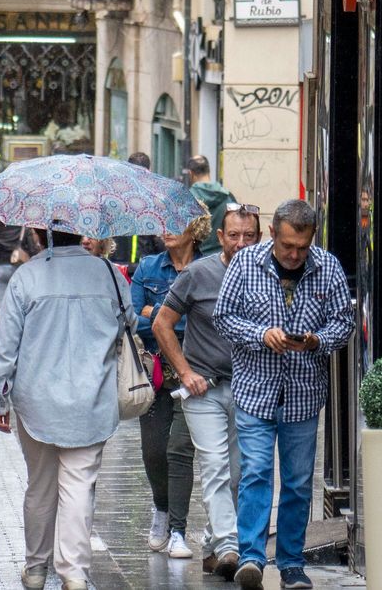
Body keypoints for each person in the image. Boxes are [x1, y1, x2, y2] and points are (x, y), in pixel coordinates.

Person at [213, 200, 353, 590]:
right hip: (255, 390)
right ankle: (252, 557)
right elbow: (223, 318)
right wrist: (261, 334)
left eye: (302, 247)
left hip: (303, 393)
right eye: (288, 245)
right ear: (273, 233)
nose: (294, 254)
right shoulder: (245, 264)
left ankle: (292, 563)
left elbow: (343, 324)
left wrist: (315, 341)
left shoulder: (328, 268)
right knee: (256, 471)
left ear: (312, 239)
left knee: (296, 481)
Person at [0, 229, 134, 590]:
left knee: (40, 486)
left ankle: (36, 569)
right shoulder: (110, 275)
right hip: (92, 400)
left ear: (40, 233)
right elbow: (127, 324)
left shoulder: (27, 276)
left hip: (36, 401)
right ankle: (73, 573)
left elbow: (4, 346)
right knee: (79, 486)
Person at [152, 204, 263, 581]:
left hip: (249, 388)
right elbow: (162, 322)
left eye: (249, 236)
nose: (241, 243)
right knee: (215, 466)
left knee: (237, 473)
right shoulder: (199, 273)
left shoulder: (267, 275)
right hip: (205, 390)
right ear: (220, 237)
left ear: (259, 238)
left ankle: (214, 547)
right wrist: (184, 372)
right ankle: (231, 547)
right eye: (233, 235)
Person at [131, 218, 209, 559]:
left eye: (177, 223)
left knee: (179, 450)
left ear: (197, 230)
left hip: (193, 370)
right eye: (164, 222)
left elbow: (206, 321)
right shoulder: (148, 267)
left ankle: (178, 530)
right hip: (155, 371)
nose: (167, 229)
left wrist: (160, 313)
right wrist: (172, 317)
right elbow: (133, 317)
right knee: (153, 451)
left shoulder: (207, 268)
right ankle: (161, 508)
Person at [111, 152, 167, 268]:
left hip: (118, 263)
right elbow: (160, 238)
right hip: (144, 264)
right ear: (148, 171)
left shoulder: (115, 195)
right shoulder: (155, 199)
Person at [187, 155, 238, 256]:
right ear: (209, 171)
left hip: (196, 258)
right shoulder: (228, 197)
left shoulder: (186, 200)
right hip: (223, 258)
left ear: (191, 173)